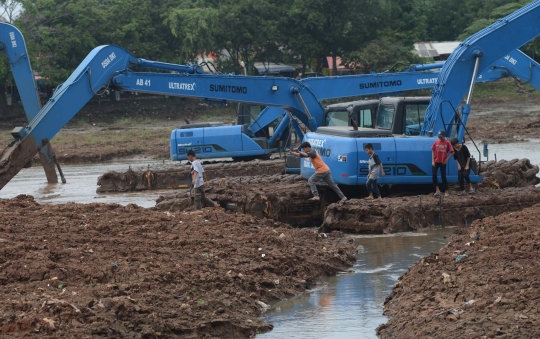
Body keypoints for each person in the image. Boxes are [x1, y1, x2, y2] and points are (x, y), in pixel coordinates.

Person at [431, 129, 454, 197]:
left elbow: (452, 152)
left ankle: (446, 190)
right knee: (434, 175)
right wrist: (432, 160)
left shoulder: (447, 143)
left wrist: (447, 159)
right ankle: (437, 190)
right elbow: (433, 151)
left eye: (441, 136)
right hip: (436, 161)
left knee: (443, 176)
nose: (440, 138)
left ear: (444, 136)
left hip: (443, 162)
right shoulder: (436, 142)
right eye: (439, 136)